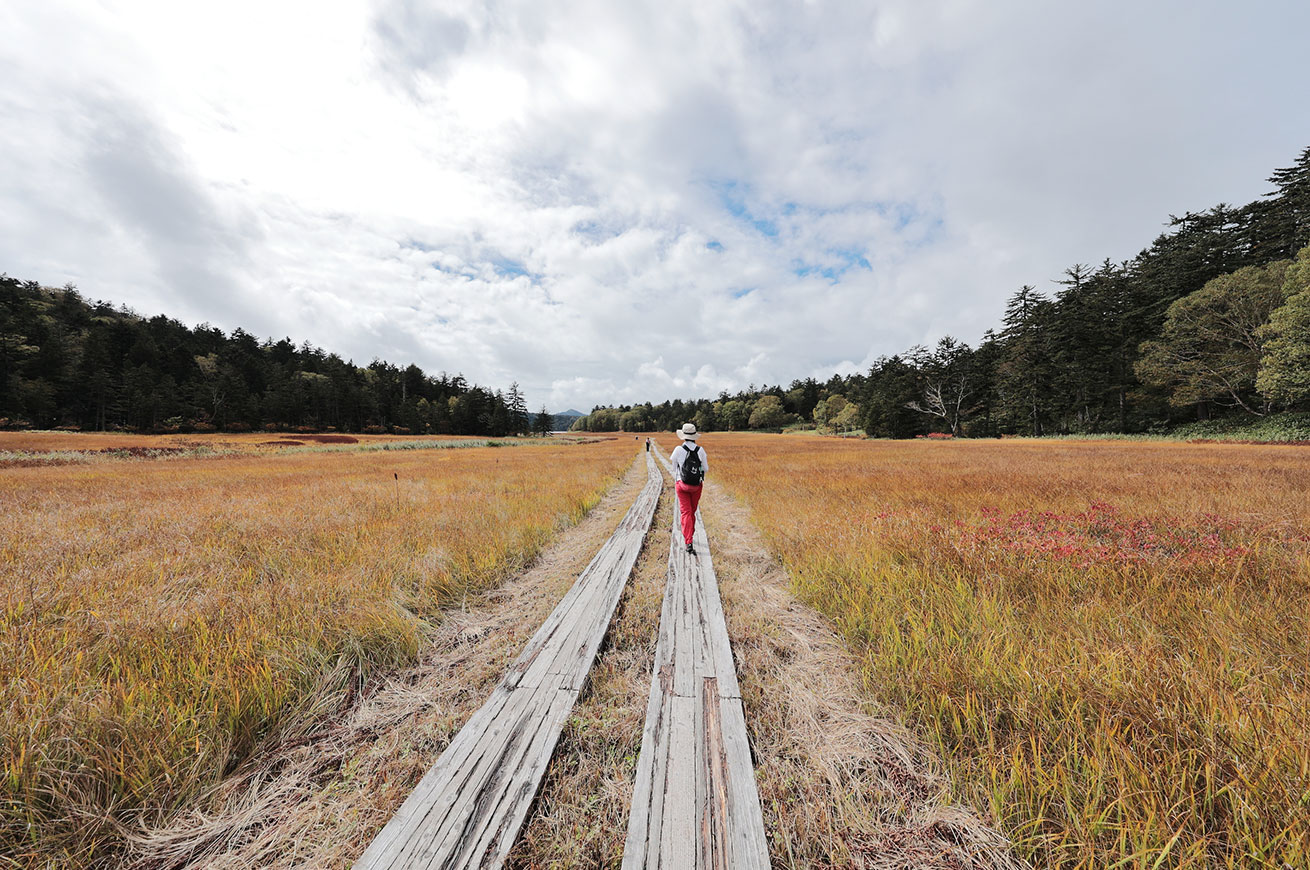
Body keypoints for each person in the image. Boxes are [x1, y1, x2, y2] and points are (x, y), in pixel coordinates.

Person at [670, 423, 708, 554]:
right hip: (696, 486)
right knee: (692, 512)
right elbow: (706, 469)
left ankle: (688, 542)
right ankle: (690, 533)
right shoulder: (700, 450)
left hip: (682, 485)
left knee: (685, 512)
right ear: (694, 436)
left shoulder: (678, 450)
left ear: (684, 436)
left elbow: (674, 468)